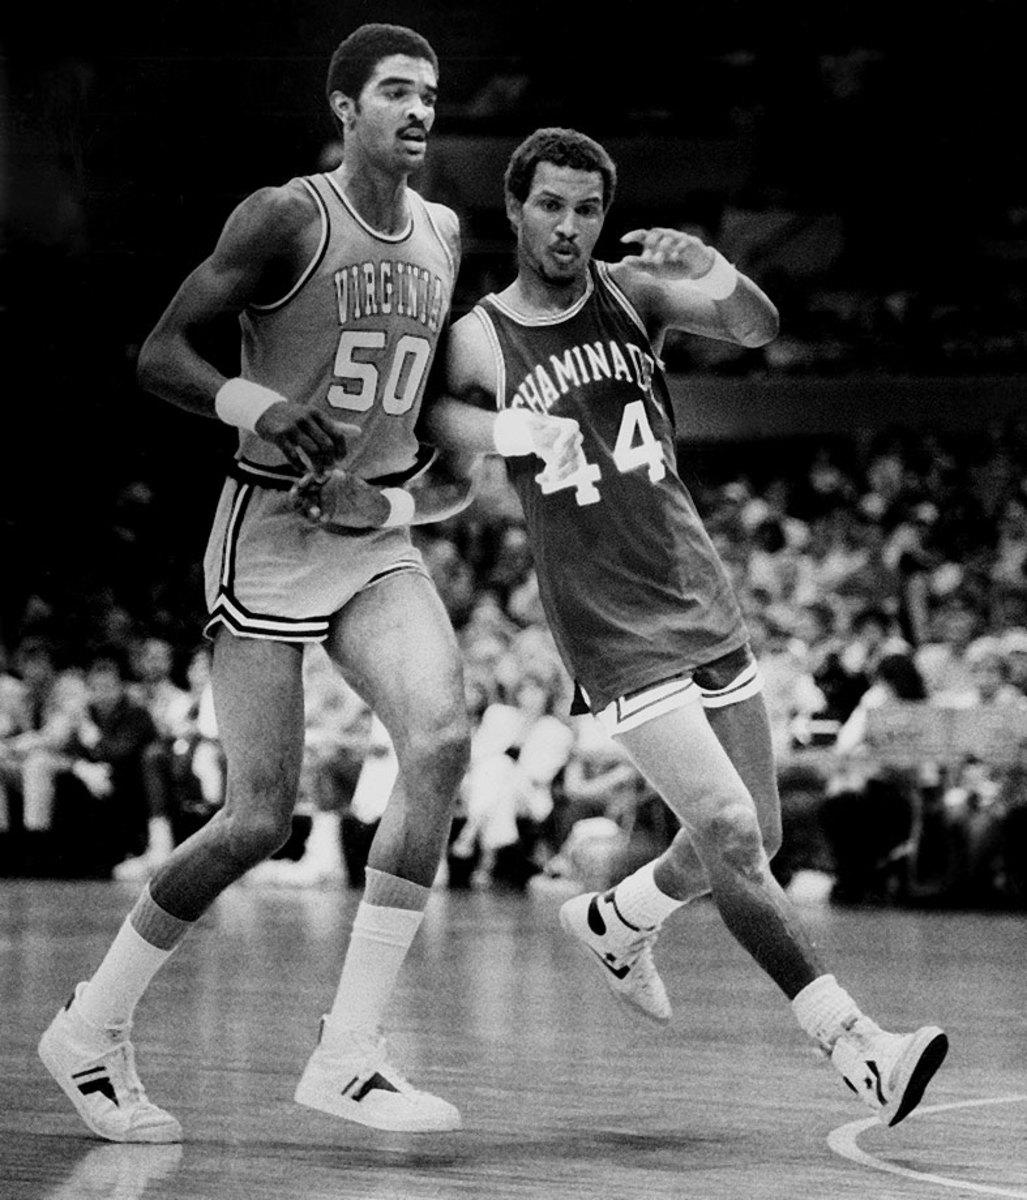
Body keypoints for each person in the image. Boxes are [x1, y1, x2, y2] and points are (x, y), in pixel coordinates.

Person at [38, 26, 578, 1143]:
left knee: (438, 738)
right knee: (254, 818)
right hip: (271, 525)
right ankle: (89, 1028)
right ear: (343, 108)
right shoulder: (285, 215)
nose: (418, 110)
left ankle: (350, 1053)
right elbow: (160, 353)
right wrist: (258, 405)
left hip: (369, 525)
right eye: (394, 92)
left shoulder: (440, 229)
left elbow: (421, 409)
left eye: (431, 94)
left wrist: (499, 433)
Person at [428, 127, 948, 1127]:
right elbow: (437, 420)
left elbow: (755, 328)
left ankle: (618, 917)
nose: (569, 226)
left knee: (760, 827)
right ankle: (857, 1046)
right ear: (517, 209)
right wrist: (502, 432)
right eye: (551, 205)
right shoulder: (481, 335)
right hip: (607, 623)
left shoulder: (635, 293)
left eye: (586, 208)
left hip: (695, 588)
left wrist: (720, 269)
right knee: (727, 832)